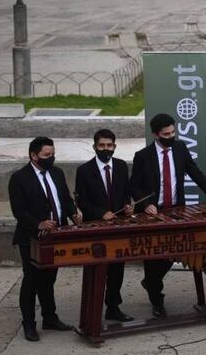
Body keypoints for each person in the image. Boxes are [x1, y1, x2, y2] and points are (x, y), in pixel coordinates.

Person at [130, 113, 206, 318]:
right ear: (155, 135)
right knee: (155, 257)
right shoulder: (143, 156)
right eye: (166, 134)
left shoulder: (180, 149)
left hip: (177, 210)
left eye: (173, 132)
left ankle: (150, 283)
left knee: (173, 252)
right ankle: (156, 298)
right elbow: (134, 186)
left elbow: (195, 172)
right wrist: (146, 204)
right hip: (153, 212)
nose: (171, 136)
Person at [9, 137, 82, 341]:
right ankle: (29, 324)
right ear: (34, 156)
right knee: (31, 280)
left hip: (56, 236)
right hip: (32, 238)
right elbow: (19, 211)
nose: (51, 158)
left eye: (53, 154)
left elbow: (65, 199)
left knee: (49, 279)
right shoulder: (20, 178)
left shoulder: (57, 173)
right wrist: (39, 223)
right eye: (46, 155)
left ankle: (50, 317)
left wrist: (74, 213)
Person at [74, 129, 134, 323]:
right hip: (96, 226)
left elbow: (126, 192)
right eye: (102, 145)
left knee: (117, 269)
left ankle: (113, 307)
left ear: (114, 147)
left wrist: (127, 205)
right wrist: (100, 213)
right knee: (98, 269)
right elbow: (81, 201)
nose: (106, 149)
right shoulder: (84, 170)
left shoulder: (121, 166)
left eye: (109, 145)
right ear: (95, 147)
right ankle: (92, 311)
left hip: (118, 226)